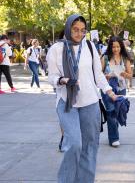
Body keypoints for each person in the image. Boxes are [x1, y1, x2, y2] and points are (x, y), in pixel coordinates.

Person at [46, 14, 120, 183]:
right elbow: (51, 77)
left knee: (90, 146)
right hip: (67, 103)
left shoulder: (89, 46)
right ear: (68, 29)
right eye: (75, 30)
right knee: (74, 144)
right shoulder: (56, 49)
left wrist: (110, 93)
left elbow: (98, 74)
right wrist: (62, 80)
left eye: (82, 30)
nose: (79, 34)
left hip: (91, 102)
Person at [101, 36, 132, 147]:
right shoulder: (105, 58)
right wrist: (106, 76)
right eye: (113, 47)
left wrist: (124, 74)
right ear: (110, 47)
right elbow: (99, 74)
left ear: (121, 47)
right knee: (111, 111)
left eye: (118, 46)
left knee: (117, 111)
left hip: (121, 88)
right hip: (107, 88)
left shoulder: (125, 58)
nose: (115, 49)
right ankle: (114, 138)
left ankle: (113, 133)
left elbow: (130, 75)